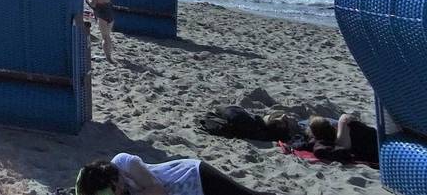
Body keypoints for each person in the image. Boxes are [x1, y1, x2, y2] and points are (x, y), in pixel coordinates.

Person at [75, 154, 268, 195]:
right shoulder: (101, 187)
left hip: (194, 176)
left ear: (114, 180)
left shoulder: (125, 163)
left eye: (109, 193)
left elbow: (158, 190)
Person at [289, 114, 379, 165]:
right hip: (377, 140)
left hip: (376, 147)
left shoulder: (335, 142)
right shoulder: (342, 128)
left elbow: (298, 145)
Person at [87, 0, 115, 64]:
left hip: (102, 15)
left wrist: (87, 0)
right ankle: (109, 55)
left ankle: (108, 57)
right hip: (110, 13)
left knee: (105, 37)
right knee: (108, 36)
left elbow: (93, 5)